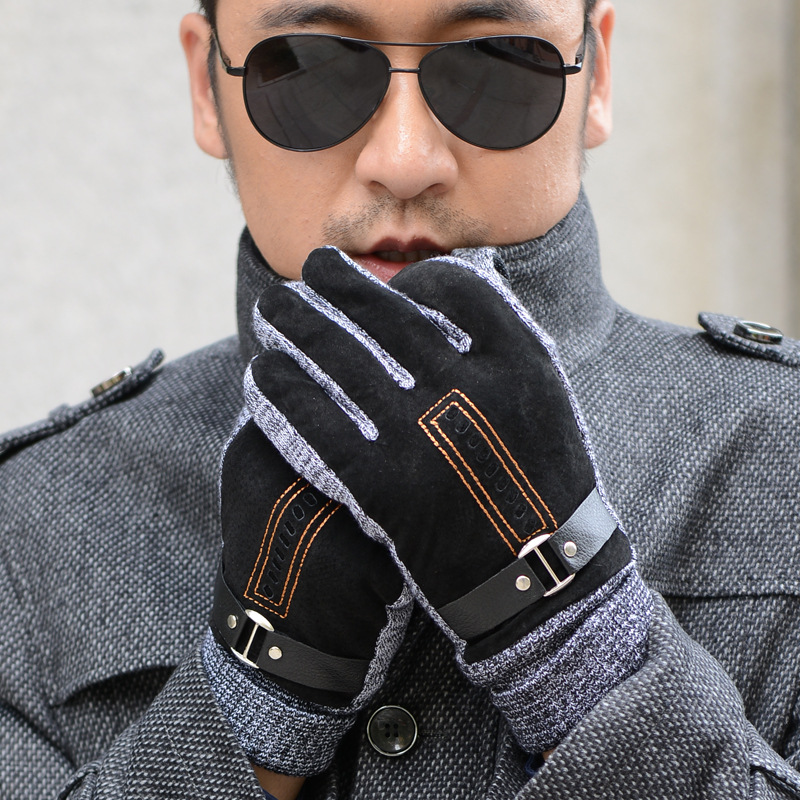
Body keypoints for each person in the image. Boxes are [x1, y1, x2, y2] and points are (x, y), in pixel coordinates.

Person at [1, 0, 800, 798]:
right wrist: (252, 707)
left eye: (496, 57)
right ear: (208, 87)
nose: (406, 160)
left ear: (597, 75)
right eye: (310, 67)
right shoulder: (29, 532)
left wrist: (586, 656)